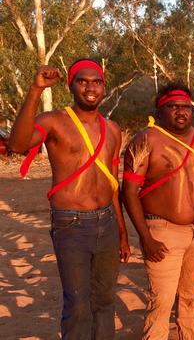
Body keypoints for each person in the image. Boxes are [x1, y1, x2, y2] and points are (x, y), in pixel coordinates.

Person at [8, 61, 130, 339]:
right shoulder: (53, 121)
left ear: (104, 87)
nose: (90, 87)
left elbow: (113, 183)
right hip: (71, 223)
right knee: (77, 305)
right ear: (71, 86)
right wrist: (35, 90)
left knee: (105, 301)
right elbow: (17, 144)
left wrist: (122, 233)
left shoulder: (112, 128)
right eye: (82, 81)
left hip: (107, 221)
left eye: (96, 82)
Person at [121, 83, 194, 339]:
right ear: (160, 110)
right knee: (162, 302)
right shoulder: (145, 140)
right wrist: (146, 238)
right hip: (163, 233)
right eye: (173, 107)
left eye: (186, 107)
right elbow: (129, 192)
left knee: (191, 300)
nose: (181, 112)